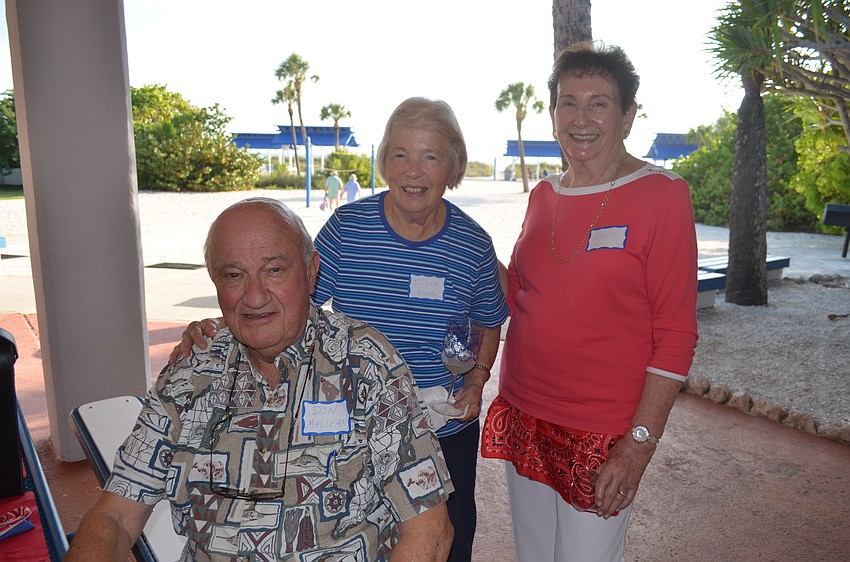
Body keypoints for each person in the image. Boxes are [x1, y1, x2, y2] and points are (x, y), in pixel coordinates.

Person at [172, 98, 510, 562]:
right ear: (384, 162)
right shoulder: (349, 229)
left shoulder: (472, 244)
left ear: (454, 163)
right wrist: (218, 330)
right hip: (357, 417)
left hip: (442, 417)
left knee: (447, 536)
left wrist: (476, 380)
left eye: (430, 156)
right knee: (357, 527)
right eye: (400, 155)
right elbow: (284, 298)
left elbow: (490, 317)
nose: (413, 170)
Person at [66, 198, 454, 561]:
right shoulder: (190, 373)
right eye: (234, 275)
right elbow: (114, 517)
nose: (254, 297)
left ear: (311, 270)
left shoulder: (367, 364)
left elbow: (429, 529)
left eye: (274, 270)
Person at [480, 42, 699, 562]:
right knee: (534, 556)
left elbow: (676, 335)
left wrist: (638, 446)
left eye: (598, 103)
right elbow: (522, 294)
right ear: (553, 113)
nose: (581, 118)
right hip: (525, 410)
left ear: (627, 115)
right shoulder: (544, 196)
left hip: (602, 430)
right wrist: (464, 245)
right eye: (567, 102)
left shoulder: (662, 194)